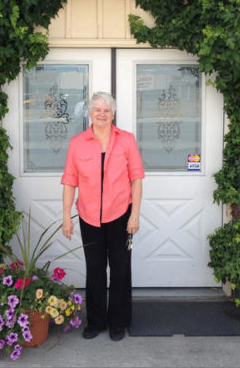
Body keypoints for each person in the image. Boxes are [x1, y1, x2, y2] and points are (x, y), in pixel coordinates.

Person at [61, 91, 144, 341]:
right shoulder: (77, 143)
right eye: (97, 109)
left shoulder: (126, 140)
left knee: (120, 269)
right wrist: (67, 216)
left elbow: (136, 179)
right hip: (88, 216)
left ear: (113, 114)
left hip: (121, 215)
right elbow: (69, 182)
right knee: (94, 269)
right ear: (90, 113)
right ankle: (95, 322)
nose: (101, 114)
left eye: (106, 110)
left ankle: (119, 323)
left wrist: (135, 215)